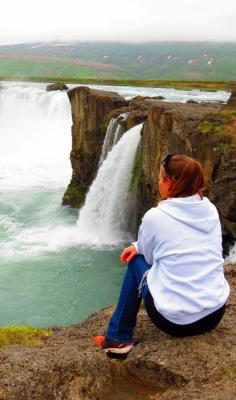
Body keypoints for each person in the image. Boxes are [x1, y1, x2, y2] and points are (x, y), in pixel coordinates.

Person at [94, 154, 230, 355]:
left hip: (174, 322)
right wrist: (139, 245)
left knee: (136, 260)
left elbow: (148, 258)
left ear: (169, 182)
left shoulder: (155, 216)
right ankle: (117, 337)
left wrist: (139, 249)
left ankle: (118, 338)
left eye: (159, 178)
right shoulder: (209, 209)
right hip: (213, 314)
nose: (157, 182)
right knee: (142, 254)